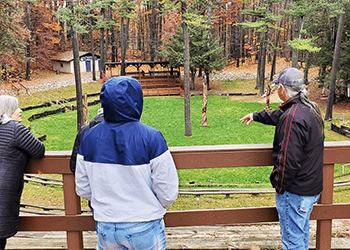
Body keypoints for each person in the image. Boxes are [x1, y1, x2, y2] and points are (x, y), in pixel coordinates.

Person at [75, 76, 179, 250]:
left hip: (106, 225)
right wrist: (151, 206)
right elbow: (167, 191)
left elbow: (82, 187)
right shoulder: (151, 137)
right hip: (143, 223)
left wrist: (105, 204)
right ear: (137, 100)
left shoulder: (89, 137)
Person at [240, 67, 324, 250]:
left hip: (295, 193)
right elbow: (281, 115)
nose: (277, 90)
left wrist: (278, 185)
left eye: (278, 86)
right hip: (310, 188)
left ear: (283, 90)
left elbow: (288, 160)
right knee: (300, 237)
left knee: (292, 243)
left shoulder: (292, 118)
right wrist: (256, 116)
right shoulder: (309, 108)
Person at [0, 95, 45, 250]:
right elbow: (39, 150)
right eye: (15, 108)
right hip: (3, 196)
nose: (20, 111)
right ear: (7, 111)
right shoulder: (15, 129)